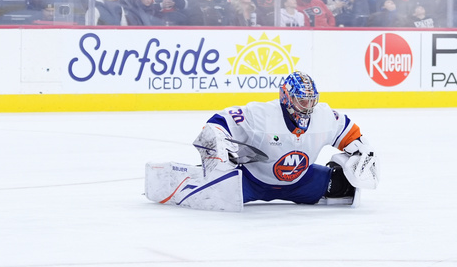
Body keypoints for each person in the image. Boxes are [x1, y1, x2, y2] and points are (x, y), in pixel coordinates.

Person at [147, 72, 378, 210]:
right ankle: (190, 177)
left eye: (310, 101)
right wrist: (219, 147)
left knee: (345, 188)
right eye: (301, 101)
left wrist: (361, 152)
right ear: (286, 98)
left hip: (301, 181)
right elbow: (217, 122)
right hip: (251, 181)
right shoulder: (261, 114)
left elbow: (351, 135)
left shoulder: (325, 116)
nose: (307, 107)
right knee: (213, 194)